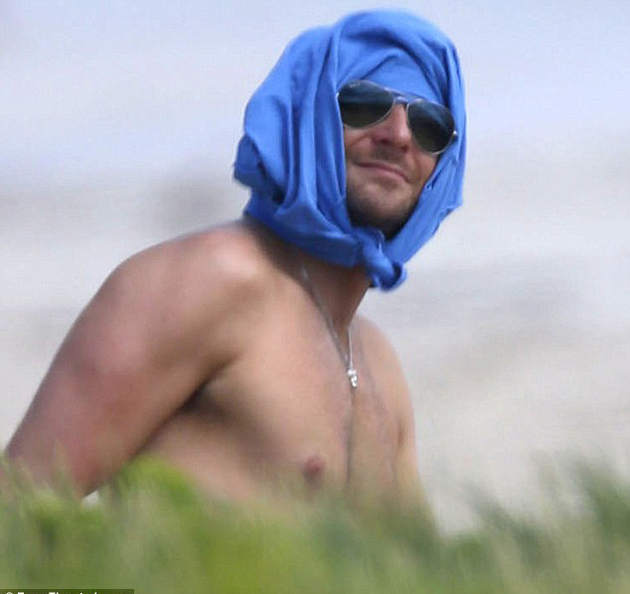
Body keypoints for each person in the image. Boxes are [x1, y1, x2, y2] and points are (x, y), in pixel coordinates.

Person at [4, 10, 466, 511]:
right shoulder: (209, 280)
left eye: (430, 125)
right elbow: (16, 508)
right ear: (307, 114)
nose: (399, 135)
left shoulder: (378, 364)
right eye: (363, 104)